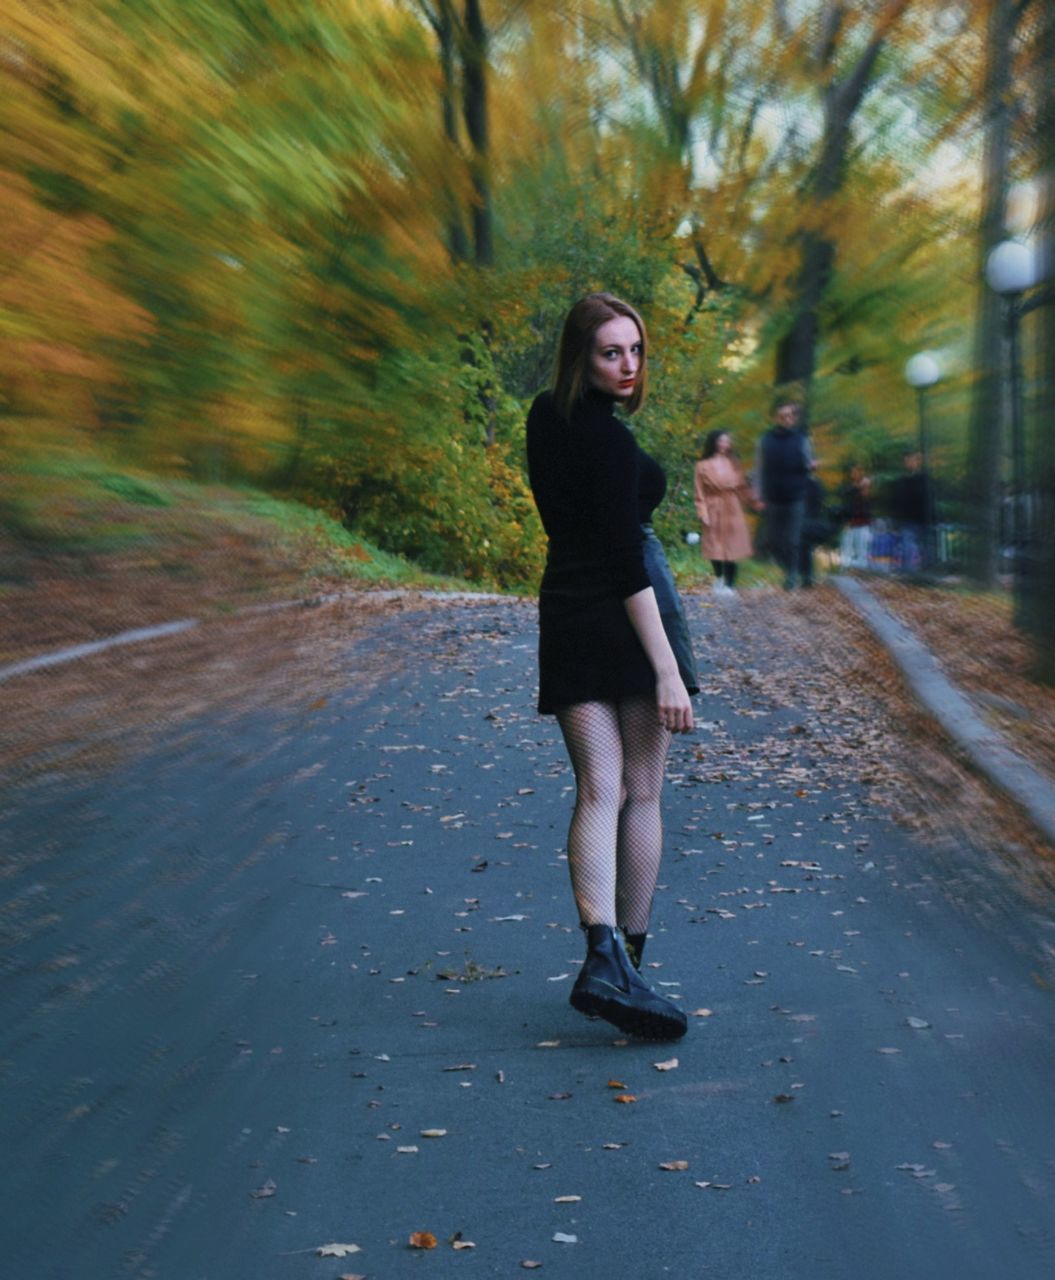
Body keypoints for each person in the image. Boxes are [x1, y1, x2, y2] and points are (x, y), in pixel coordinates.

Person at [525, 292, 698, 1042]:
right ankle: (627, 961)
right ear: (580, 357)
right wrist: (665, 669)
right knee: (642, 792)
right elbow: (628, 563)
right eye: (610, 352)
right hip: (631, 615)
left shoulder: (543, 417)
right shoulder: (614, 446)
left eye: (635, 351)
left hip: (565, 608)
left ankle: (605, 963)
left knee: (599, 787)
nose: (627, 367)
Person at [752, 396, 812, 589]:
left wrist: (810, 468)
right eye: (782, 415)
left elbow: (808, 465)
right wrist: (758, 495)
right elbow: (758, 470)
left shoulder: (802, 439)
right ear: (775, 418)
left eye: (789, 415)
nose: (786, 418)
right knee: (774, 540)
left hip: (796, 496)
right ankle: (790, 570)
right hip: (772, 498)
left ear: (794, 418)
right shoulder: (765, 441)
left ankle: (793, 576)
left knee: (793, 540)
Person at [693, 429, 754, 597]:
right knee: (714, 546)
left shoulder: (735, 463)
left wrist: (753, 502)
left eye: (727, 441)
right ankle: (719, 577)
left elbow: (743, 487)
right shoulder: (702, 465)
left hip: (733, 506)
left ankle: (730, 584)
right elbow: (699, 492)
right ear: (714, 442)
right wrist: (702, 511)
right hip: (713, 505)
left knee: (733, 545)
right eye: (721, 441)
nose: (724, 444)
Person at [887, 449, 932, 573]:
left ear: (918, 461)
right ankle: (908, 572)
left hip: (921, 518)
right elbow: (899, 500)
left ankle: (923, 571)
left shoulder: (924, 479)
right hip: (909, 519)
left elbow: (925, 499)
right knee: (907, 545)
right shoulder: (905, 480)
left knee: (921, 546)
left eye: (911, 459)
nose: (908, 462)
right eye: (906, 460)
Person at [839, 465, 873, 569]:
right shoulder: (850, 488)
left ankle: (861, 571)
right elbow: (843, 494)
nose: (853, 474)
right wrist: (857, 487)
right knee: (846, 549)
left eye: (855, 472)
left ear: (861, 473)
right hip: (849, 523)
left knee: (862, 550)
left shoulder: (867, 486)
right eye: (852, 472)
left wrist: (865, 488)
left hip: (863, 524)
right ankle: (845, 569)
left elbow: (868, 503)